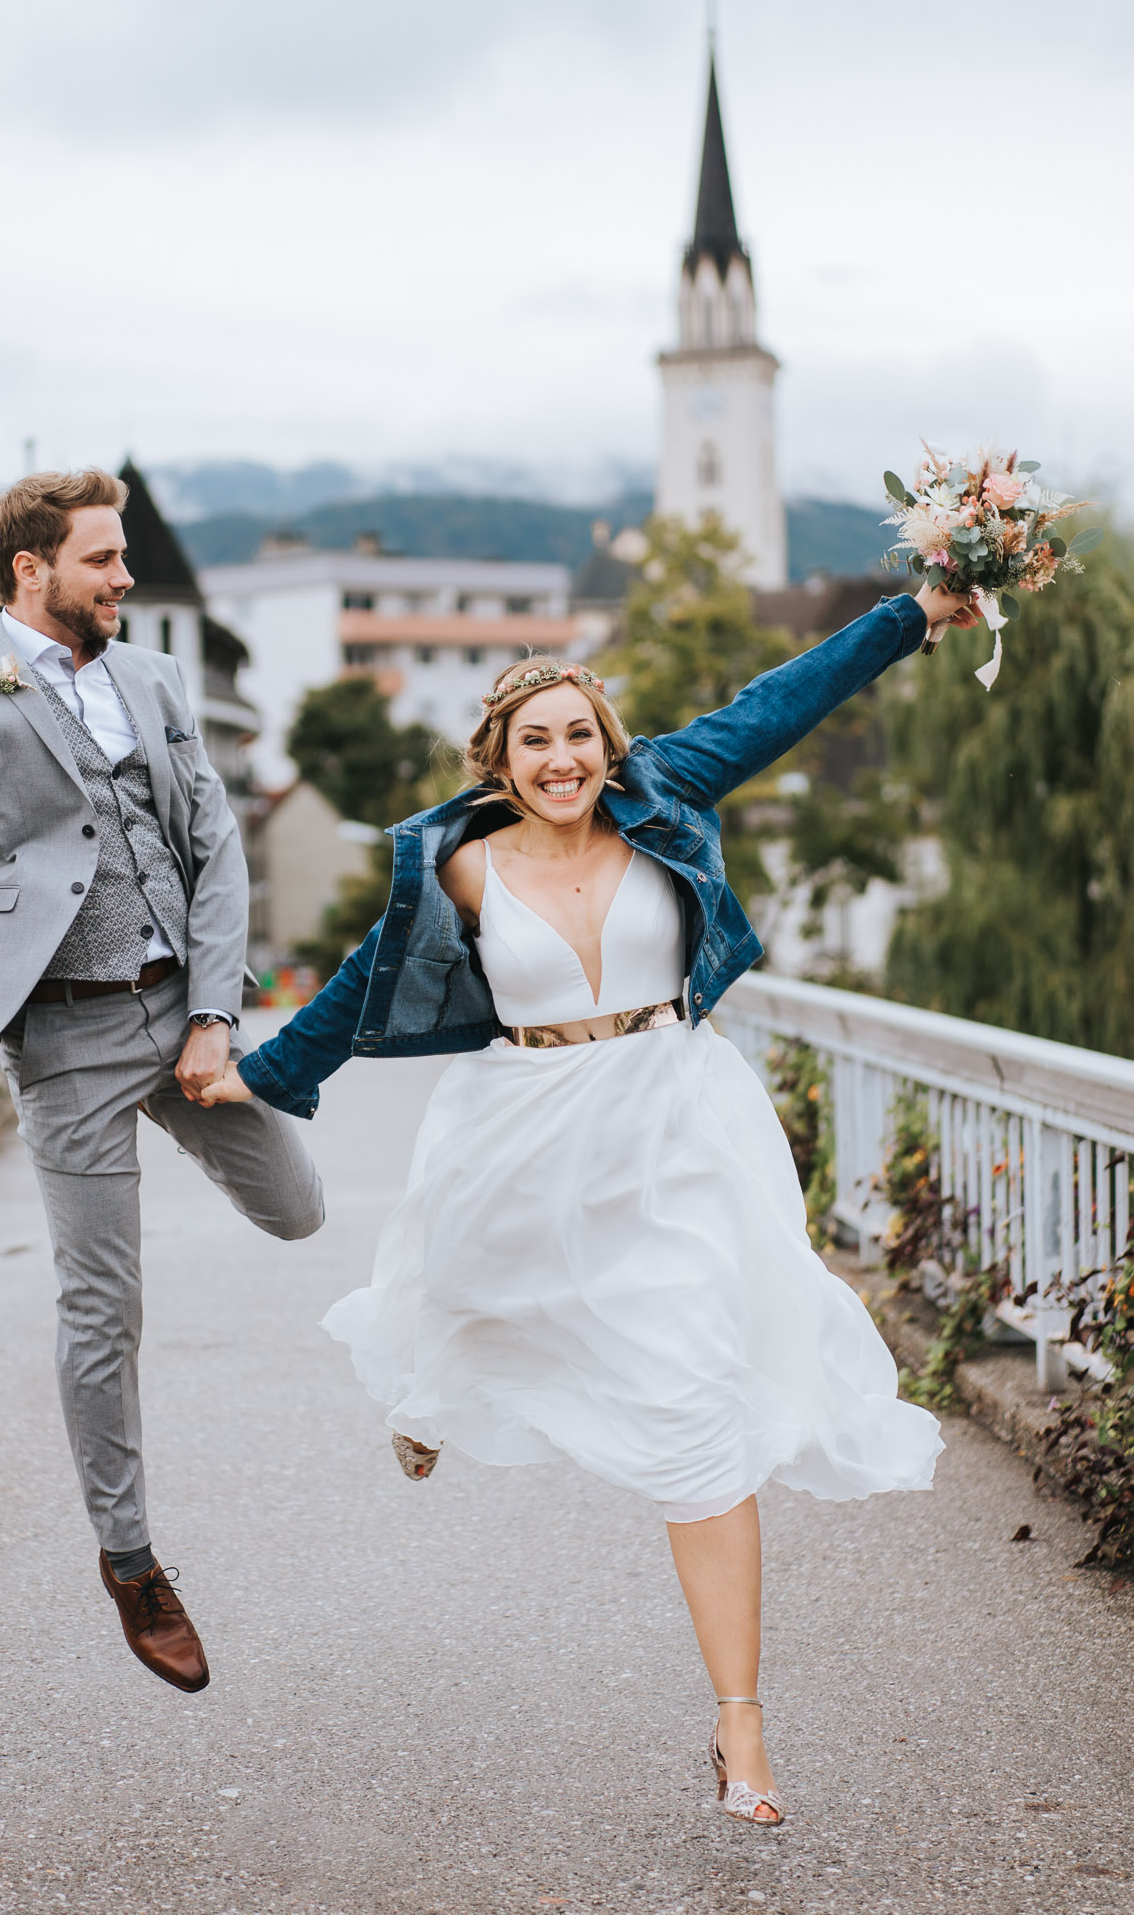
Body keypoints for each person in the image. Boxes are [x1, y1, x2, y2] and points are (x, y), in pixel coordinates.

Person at [201, 582, 978, 1822]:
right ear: (499, 762)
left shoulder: (665, 790)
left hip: (673, 1126)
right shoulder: (456, 862)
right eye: (535, 742)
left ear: (605, 745)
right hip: (521, 1126)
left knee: (694, 1407)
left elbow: (784, 699)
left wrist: (913, 614)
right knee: (466, 1297)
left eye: (578, 736)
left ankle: (740, 1728)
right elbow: (363, 980)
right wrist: (260, 1069)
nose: (562, 759)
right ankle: (427, 1381)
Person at [0, 469, 323, 1694]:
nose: (126, 575)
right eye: (105, 557)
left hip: (179, 1014)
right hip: (62, 1033)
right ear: (32, 570)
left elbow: (212, 849)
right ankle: (132, 1557)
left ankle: (201, 1044)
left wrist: (214, 1013)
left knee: (299, 1204)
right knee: (105, 1307)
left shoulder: (151, 676)